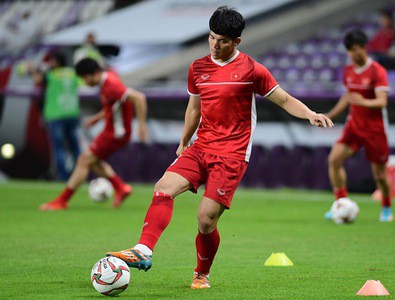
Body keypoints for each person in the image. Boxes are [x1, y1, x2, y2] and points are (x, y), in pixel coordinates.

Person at [106, 6, 333, 290]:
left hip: (232, 154)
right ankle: (143, 250)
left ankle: (201, 274)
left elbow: (285, 100)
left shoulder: (252, 70)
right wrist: (183, 141)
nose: (215, 44)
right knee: (163, 187)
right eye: (212, 37)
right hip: (201, 146)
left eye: (222, 40)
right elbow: (194, 108)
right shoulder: (197, 67)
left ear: (237, 41)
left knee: (205, 220)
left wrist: (310, 113)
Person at [39, 58, 149, 211]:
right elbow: (114, 104)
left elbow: (139, 98)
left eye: (85, 78)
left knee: (84, 160)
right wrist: (97, 118)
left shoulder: (111, 85)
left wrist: (142, 126)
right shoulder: (108, 78)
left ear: (95, 74)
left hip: (116, 134)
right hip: (112, 131)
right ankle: (121, 188)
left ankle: (62, 201)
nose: (84, 82)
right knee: (91, 161)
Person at [323, 29, 393, 222]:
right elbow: (348, 96)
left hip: (375, 129)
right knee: (334, 160)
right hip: (354, 126)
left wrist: (363, 102)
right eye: (349, 51)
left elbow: (382, 102)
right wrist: (330, 115)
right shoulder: (348, 71)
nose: (353, 54)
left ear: (364, 47)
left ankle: (386, 205)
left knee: (379, 176)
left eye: (355, 49)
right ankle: (340, 204)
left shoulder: (377, 71)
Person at [29, 52, 81, 180]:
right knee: (75, 147)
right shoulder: (72, 73)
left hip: (56, 115)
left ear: (56, 62)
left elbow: (38, 80)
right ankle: (81, 176)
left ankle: (63, 178)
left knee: (59, 148)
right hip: (72, 113)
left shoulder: (51, 75)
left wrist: (32, 69)